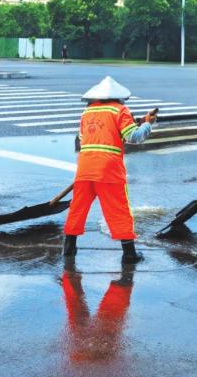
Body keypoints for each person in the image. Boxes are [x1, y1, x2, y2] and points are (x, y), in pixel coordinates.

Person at [63, 76, 156, 263]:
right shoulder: (120, 110)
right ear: (118, 96)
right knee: (118, 209)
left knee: (77, 208)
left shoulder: (87, 112)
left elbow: (84, 138)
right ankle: (129, 254)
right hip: (108, 170)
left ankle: (69, 248)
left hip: (85, 168)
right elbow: (134, 137)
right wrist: (147, 124)